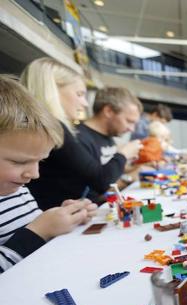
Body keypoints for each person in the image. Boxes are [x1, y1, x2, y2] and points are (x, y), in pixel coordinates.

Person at [0, 76, 96, 274]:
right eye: (19, 162)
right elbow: (34, 233)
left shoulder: (17, 190)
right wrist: (40, 230)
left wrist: (62, 219)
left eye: (40, 161)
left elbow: (33, 235)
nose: (34, 174)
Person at [22, 59, 141, 210]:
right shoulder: (55, 128)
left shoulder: (46, 127)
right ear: (53, 89)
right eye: (79, 94)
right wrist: (124, 154)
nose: (85, 103)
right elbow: (100, 180)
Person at [76, 87, 143, 203]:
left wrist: (138, 169)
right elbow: (99, 189)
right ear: (109, 111)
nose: (131, 129)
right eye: (129, 121)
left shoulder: (108, 136)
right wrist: (129, 175)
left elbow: (109, 169)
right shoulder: (78, 139)